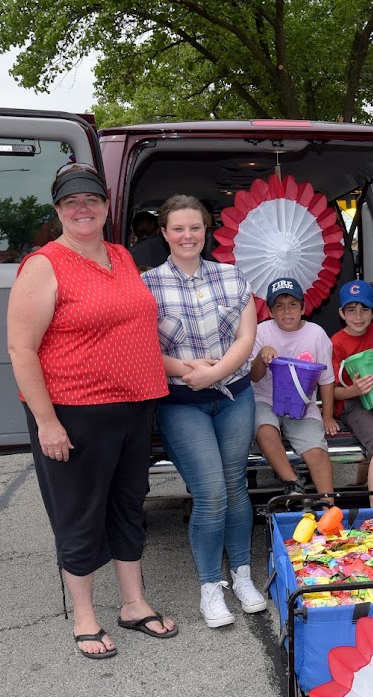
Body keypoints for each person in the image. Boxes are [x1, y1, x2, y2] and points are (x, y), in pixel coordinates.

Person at [7, 162, 175, 660]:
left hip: (133, 409)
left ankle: (133, 602)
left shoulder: (122, 256)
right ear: (58, 210)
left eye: (92, 200)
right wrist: (47, 422)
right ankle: (84, 615)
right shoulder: (45, 264)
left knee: (128, 507)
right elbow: (21, 349)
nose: (83, 209)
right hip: (74, 412)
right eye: (71, 202)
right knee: (80, 515)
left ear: (106, 206)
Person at [141, 195, 265, 629]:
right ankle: (210, 586)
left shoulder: (232, 276)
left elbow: (246, 337)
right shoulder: (147, 283)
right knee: (211, 493)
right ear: (164, 233)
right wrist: (186, 372)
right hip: (181, 403)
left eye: (194, 227)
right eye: (178, 228)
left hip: (234, 396)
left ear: (206, 229)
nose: (187, 236)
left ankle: (244, 575)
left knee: (235, 487)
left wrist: (215, 374)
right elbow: (143, 349)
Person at [250, 277, 335, 496]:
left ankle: (329, 506)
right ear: (269, 311)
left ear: (303, 308)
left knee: (317, 450)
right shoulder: (261, 332)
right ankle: (292, 484)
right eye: (279, 306)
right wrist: (262, 355)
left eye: (293, 305)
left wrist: (328, 415)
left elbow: (326, 379)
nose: (286, 312)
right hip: (265, 399)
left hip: (303, 403)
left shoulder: (316, 334)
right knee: (265, 429)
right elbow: (255, 377)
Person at [330, 279, 373, 508]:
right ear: (341, 313)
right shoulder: (336, 343)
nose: (358, 316)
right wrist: (354, 390)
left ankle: (361, 484)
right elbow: (331, 392)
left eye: (364, 309)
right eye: (351, 310)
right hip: (352, 403)